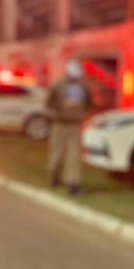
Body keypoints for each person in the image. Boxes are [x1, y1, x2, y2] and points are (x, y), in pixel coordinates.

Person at [45, 59, 93, 195]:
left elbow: (89, 104)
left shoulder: (83, 87)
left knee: (73, 155)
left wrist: (81, 113)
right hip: (60, 124)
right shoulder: (59, 86)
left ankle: (73, 184)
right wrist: (61, 108)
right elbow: (49, 103)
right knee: (57, 153)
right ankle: (54, 177)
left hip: (74, 125)